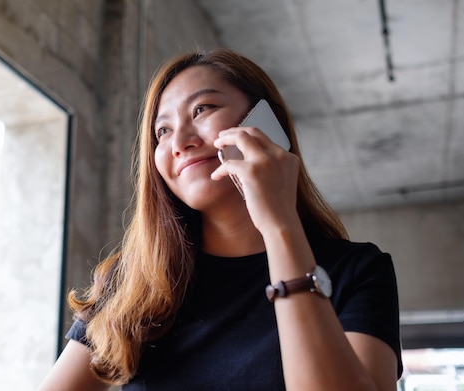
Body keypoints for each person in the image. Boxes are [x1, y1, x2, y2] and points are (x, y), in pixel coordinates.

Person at [38, 48, 403, 391]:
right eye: (161, 131)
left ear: (266, 123)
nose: (179, 141)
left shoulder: (358, 271)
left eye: (202, 109)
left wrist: (279, 226)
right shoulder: (134, 282)